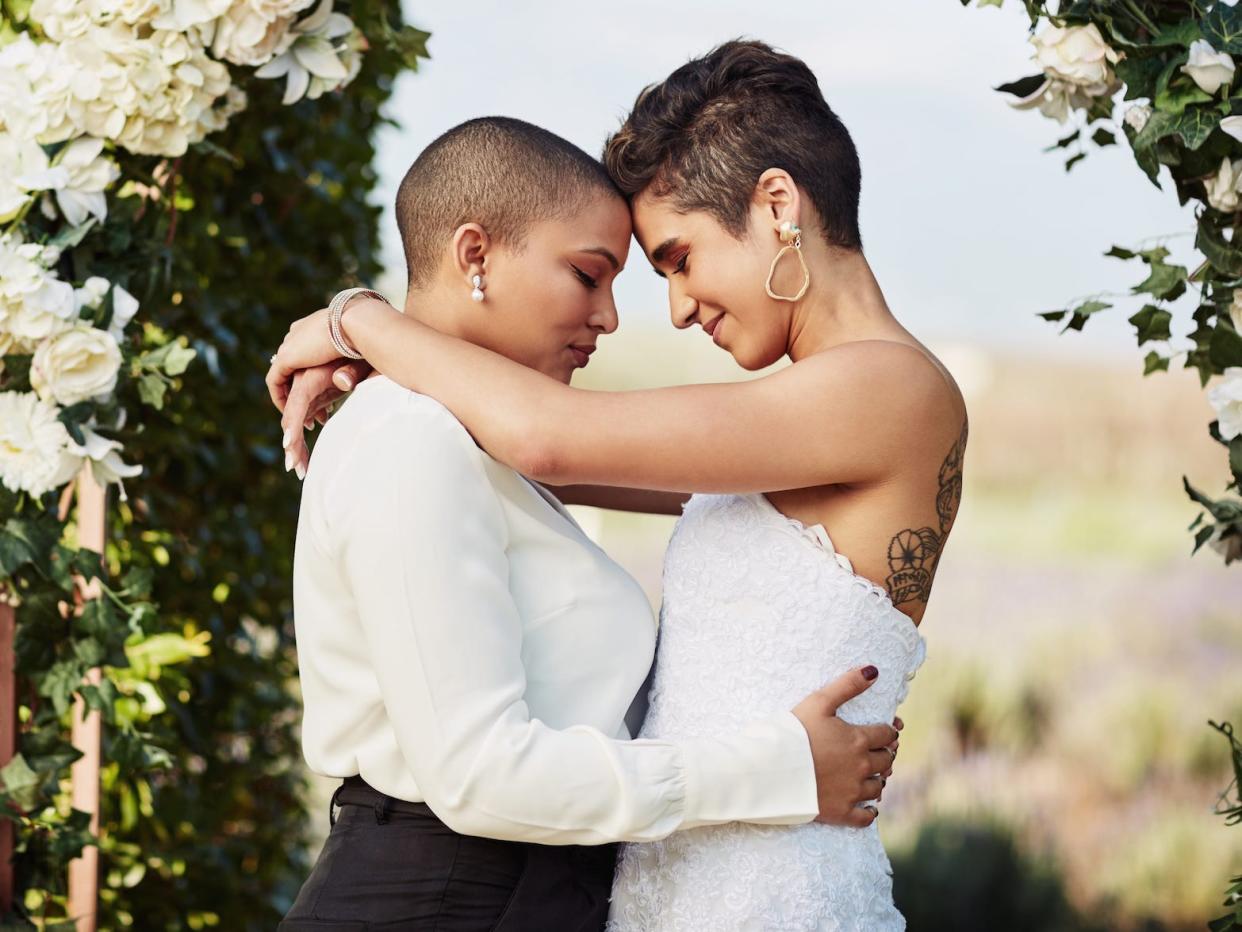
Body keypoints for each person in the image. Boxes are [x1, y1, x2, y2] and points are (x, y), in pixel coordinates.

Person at [272, 115, 901, 931]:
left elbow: (664, 474)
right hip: (438, 899)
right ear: (475, 256)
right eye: (587, 274)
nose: (611, 317)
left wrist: (358, 320)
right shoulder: (410, 436)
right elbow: (475, 775)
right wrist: (774, 770)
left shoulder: (469, 441)